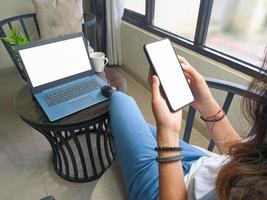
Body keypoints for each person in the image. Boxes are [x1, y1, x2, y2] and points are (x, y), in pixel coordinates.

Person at [107, 54, 267, 200]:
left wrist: (168, 134)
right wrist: (206, 103)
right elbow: (245, 158)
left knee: (120, 99)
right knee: (144, 129)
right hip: (207, 166)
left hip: (168, 193)